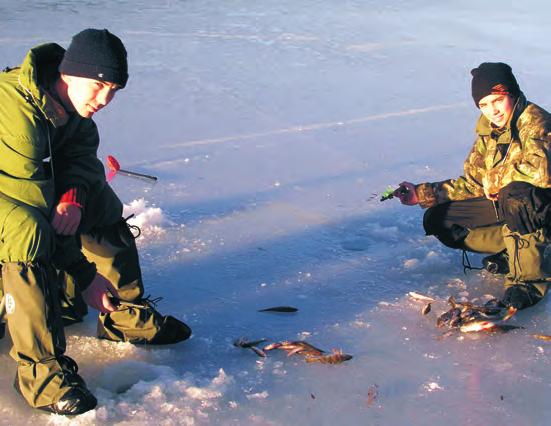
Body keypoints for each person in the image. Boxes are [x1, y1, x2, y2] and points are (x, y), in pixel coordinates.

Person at [0, 29, 191, 415]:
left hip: (23, 192)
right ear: (69, 73)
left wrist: (72, 196)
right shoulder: (17, 113)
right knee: (28, 231)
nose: (105, 99)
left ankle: (122, 314)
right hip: (16, 199)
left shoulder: (69, 104)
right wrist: (84, 276)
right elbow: (33, 206)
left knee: (98, 203)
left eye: (115, 89)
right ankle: (41, 376)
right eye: (99, 84)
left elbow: (83, 161)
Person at [394, 62, 551, 311]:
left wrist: (496, 180)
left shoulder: (537, 123)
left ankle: (529, 282)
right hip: (507, 205)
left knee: (516, 195)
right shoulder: (490, 131)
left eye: (497, 100)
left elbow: (541, 171)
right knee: (439, 219)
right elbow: (475, 181)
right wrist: (423, 192)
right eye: (484, 104)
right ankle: (516, 250)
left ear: (512, 93)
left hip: (541, 205)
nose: (493, 110)